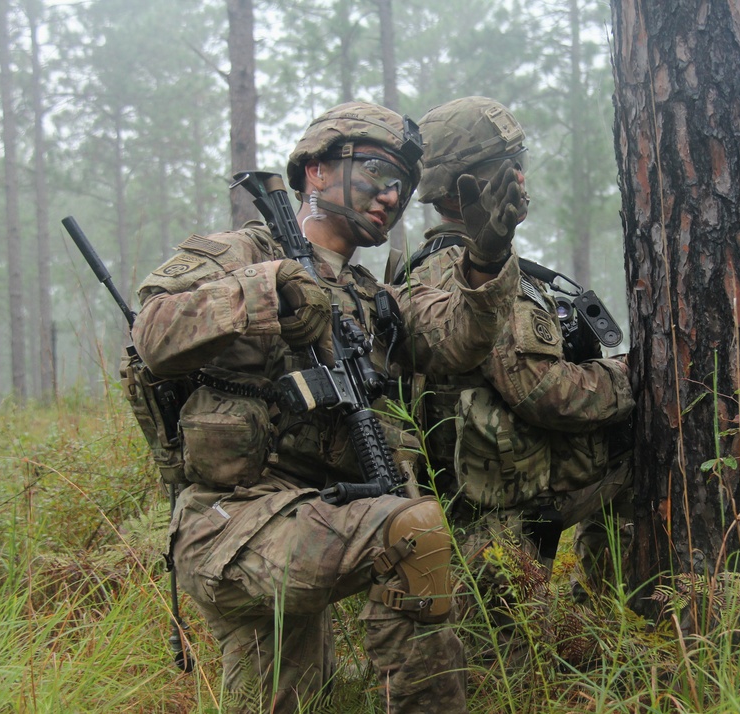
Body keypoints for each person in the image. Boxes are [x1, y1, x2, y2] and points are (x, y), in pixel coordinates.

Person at [131, 101, 523, 713]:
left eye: (402, 185)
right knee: (413, 532)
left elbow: (459, 338)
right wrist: (267, 290)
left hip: (313, 520)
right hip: (229, 525)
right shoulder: (235, 255)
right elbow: (151, 334)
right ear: (315, 170)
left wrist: (488, 257)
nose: (390, 196)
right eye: (374, 172)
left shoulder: (372, 299)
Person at [394, 97, 634, 615]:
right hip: (504, 514)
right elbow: (545, 393)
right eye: (509, 164)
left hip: (475, 503)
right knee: (641, 453)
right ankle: (604, 611)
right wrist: (632, 377)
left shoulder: (428, 268)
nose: (521, 175)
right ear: (472, 184)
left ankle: (593, 622)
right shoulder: (480, 276)